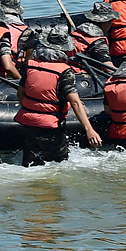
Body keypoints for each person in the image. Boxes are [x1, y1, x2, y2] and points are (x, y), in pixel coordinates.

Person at [14, 28, 102, 166]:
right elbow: (76, 103)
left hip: (27, 123)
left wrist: (31, 111)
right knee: (58, 166)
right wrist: (89, 130)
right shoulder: (64, 72)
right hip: (50, 126)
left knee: (30, 164)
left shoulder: (30, 66)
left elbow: (20, 94)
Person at [70, 2, 119, 69]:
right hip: (83, 72)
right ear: (106, 22)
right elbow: (108, 67)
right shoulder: (98, 42)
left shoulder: (77, 31)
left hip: (70, 67)